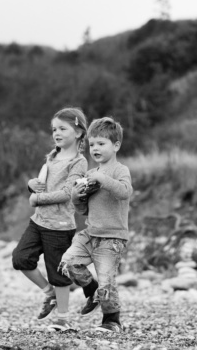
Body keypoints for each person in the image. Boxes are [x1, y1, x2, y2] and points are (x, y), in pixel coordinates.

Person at [11, 107, 88, 332]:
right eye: (54, 129)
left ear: (79, 133)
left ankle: (62, 319)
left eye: (63, 128)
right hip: (39, 222)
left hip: (60, 226)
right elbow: (42, 182)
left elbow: (66, 192)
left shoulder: (79, 162)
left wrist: (37, 199)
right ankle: (49, 294)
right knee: (20, 258)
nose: (57, 133)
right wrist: (31, 185)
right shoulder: (53, 155)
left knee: (58, 272)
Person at [59, 117, 132, 333]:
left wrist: (102, 179)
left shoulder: (120, 170)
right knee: (68, 263)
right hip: (90, 233)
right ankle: (91, 291)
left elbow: (124, 192)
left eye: (101, 144)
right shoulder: (90, 175)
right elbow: (83, 210)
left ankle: (112, 320)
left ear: (116, 145)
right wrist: (76, 196)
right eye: (92, 144)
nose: (95, 148)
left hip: (112, 238)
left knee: (107, 281)